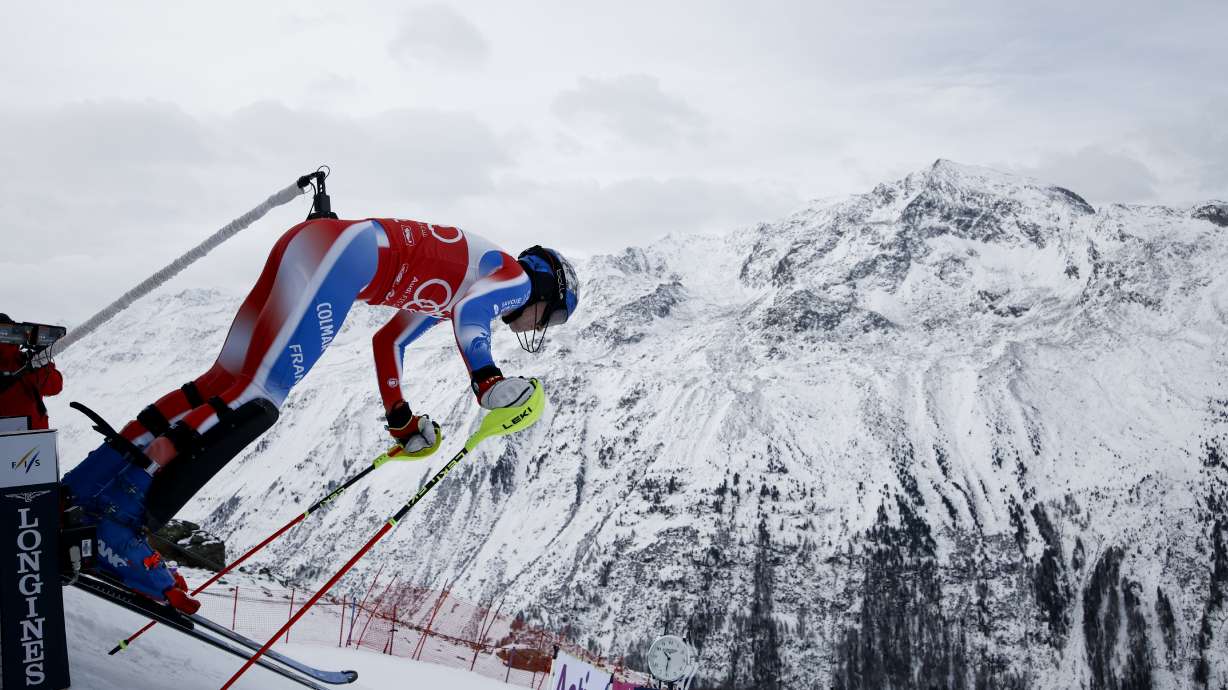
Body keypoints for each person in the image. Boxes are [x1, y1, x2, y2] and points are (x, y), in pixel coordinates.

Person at [61, 217, 579, 612]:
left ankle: (90, 485)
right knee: (257, 400)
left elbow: (389, 342)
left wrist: (400, 418)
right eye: (552, 316)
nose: (540, 326)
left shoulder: (467, 280)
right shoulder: (515, 279)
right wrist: (488, 380)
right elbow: (472, 315)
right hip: (345, 260)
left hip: (319, 244)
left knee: (222, 383)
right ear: (545, 289)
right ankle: (116, 524)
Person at [0, 314, 64, 430]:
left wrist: (40, 364)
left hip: (32, 435)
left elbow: (54, 387)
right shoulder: (27, 361)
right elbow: (54, 387)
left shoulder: (27, 360)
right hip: (33, 435)